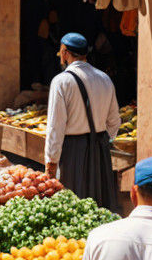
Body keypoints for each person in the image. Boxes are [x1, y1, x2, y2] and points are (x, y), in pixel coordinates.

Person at [45, 32, 121, 210]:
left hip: (73, 150)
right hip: (100, 147)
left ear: (65, 53)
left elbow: (55, 127)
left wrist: (51, 162)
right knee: (99, 204)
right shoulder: (105, 79)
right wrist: (102, 139)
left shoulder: (61, 81)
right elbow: (114, 121)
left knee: (73, 206)